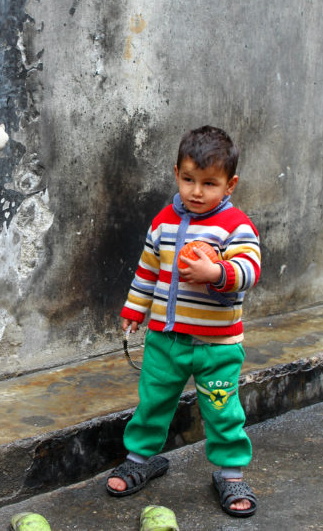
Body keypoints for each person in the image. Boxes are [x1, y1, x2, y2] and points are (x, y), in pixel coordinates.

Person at [105, 126, 261, 518]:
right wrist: (134, 309)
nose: (196, 191)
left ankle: (230, 472)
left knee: (223, 410)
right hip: (166, 339)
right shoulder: (163, 222)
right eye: (189, 179)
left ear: (230, 185)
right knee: (153, 400)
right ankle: (141, 459)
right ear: (176, 172)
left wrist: (217, 272)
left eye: (209, 183)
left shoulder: (236, 226)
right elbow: (147, 271)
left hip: (216, 347)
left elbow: (249, 269)